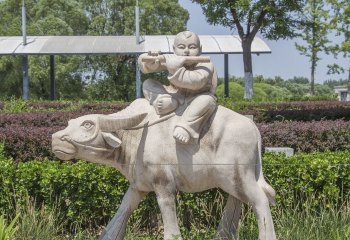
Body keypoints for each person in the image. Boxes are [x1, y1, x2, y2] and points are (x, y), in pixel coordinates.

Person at [138, 31, 217, 144]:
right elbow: (145, 65)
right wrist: (150, 62)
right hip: (174, 96)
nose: (186, 51)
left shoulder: (206, 65)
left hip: (196, 98)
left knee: (207, 101)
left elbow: (196, 81)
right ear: (174, 49)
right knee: (148, 84)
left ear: (200, 49)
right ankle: (166, 101)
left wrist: (175, 68)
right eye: (181, 47)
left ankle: (185, 127)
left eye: (192, 47)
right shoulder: (174, 60)